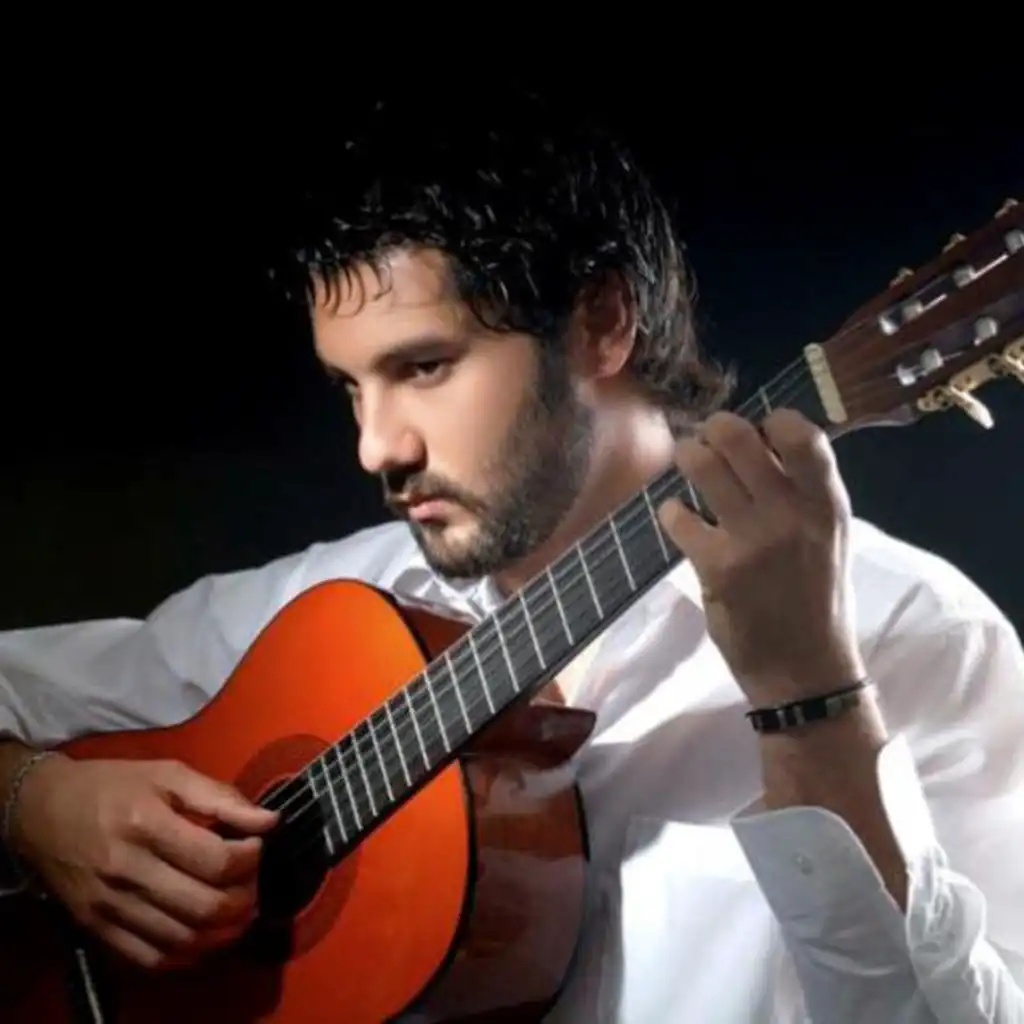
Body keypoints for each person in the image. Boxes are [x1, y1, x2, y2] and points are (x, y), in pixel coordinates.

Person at [1, 99, 1022, 1023]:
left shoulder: (914, 633)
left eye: (424, 366)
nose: (375, 447)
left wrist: (812, 695)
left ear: (601, 322)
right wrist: (36, 802)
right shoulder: (327, 607)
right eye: (350, 388)